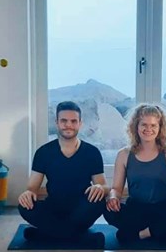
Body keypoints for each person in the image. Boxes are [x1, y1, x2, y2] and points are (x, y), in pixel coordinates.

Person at [104, 104, 166, 243]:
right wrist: (113, 197)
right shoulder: (123, 154)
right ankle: (161, 231)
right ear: (136, 126)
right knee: (107, 209)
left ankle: (142, 233)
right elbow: (116, 189)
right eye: (144, 124)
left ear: (160, 127)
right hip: (136, 210)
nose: (148, 129)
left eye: (153, 125)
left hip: (164, 210)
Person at [18, 101, 108, 244]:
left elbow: (104, 186)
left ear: (80, 123)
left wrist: (99, 187)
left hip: (82, 209)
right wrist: (27, 194)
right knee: (24, 205)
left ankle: (45, 235)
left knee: (99, 202)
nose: (68, 125)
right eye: (64, 121)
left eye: (73, 121)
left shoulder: (92, 152)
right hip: (53, 208)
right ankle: (80, 238)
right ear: (57, 123)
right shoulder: (43, 152)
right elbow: (32, 188)